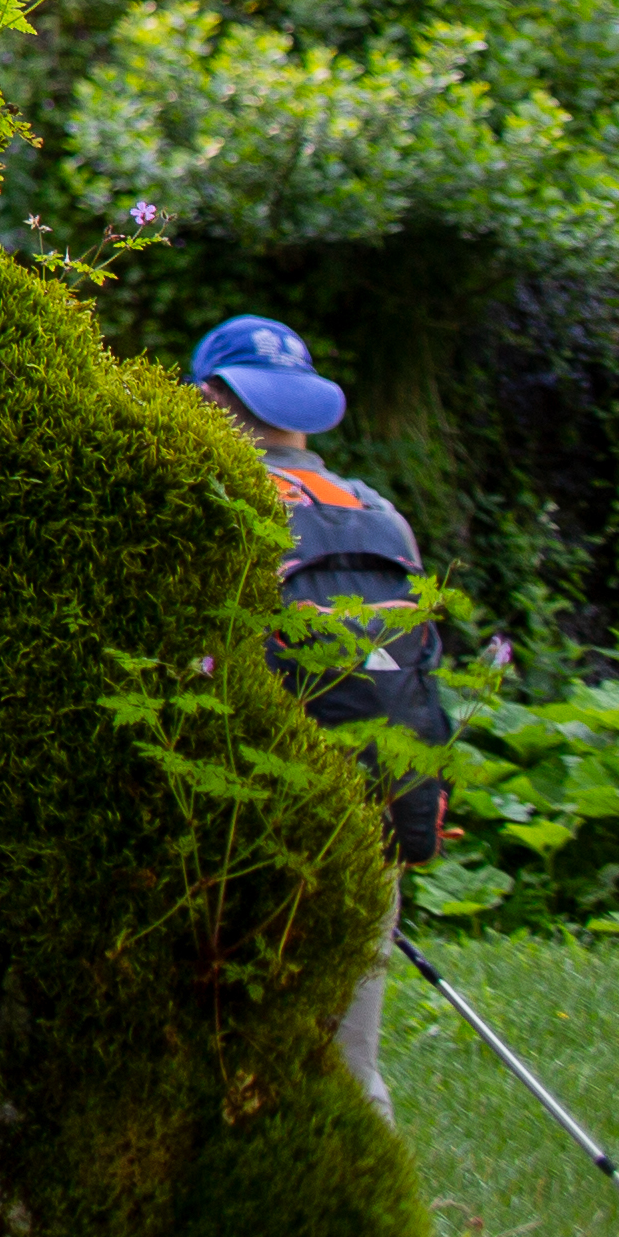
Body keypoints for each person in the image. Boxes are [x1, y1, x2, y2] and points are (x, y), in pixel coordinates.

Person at [191, 311, 454, 1109]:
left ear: (207, 397)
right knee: (349, 1066)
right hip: (373, 813)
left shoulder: (216, 498)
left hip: (249, 814)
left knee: (223, 1053)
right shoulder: (380, 514)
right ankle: (377, 1219)